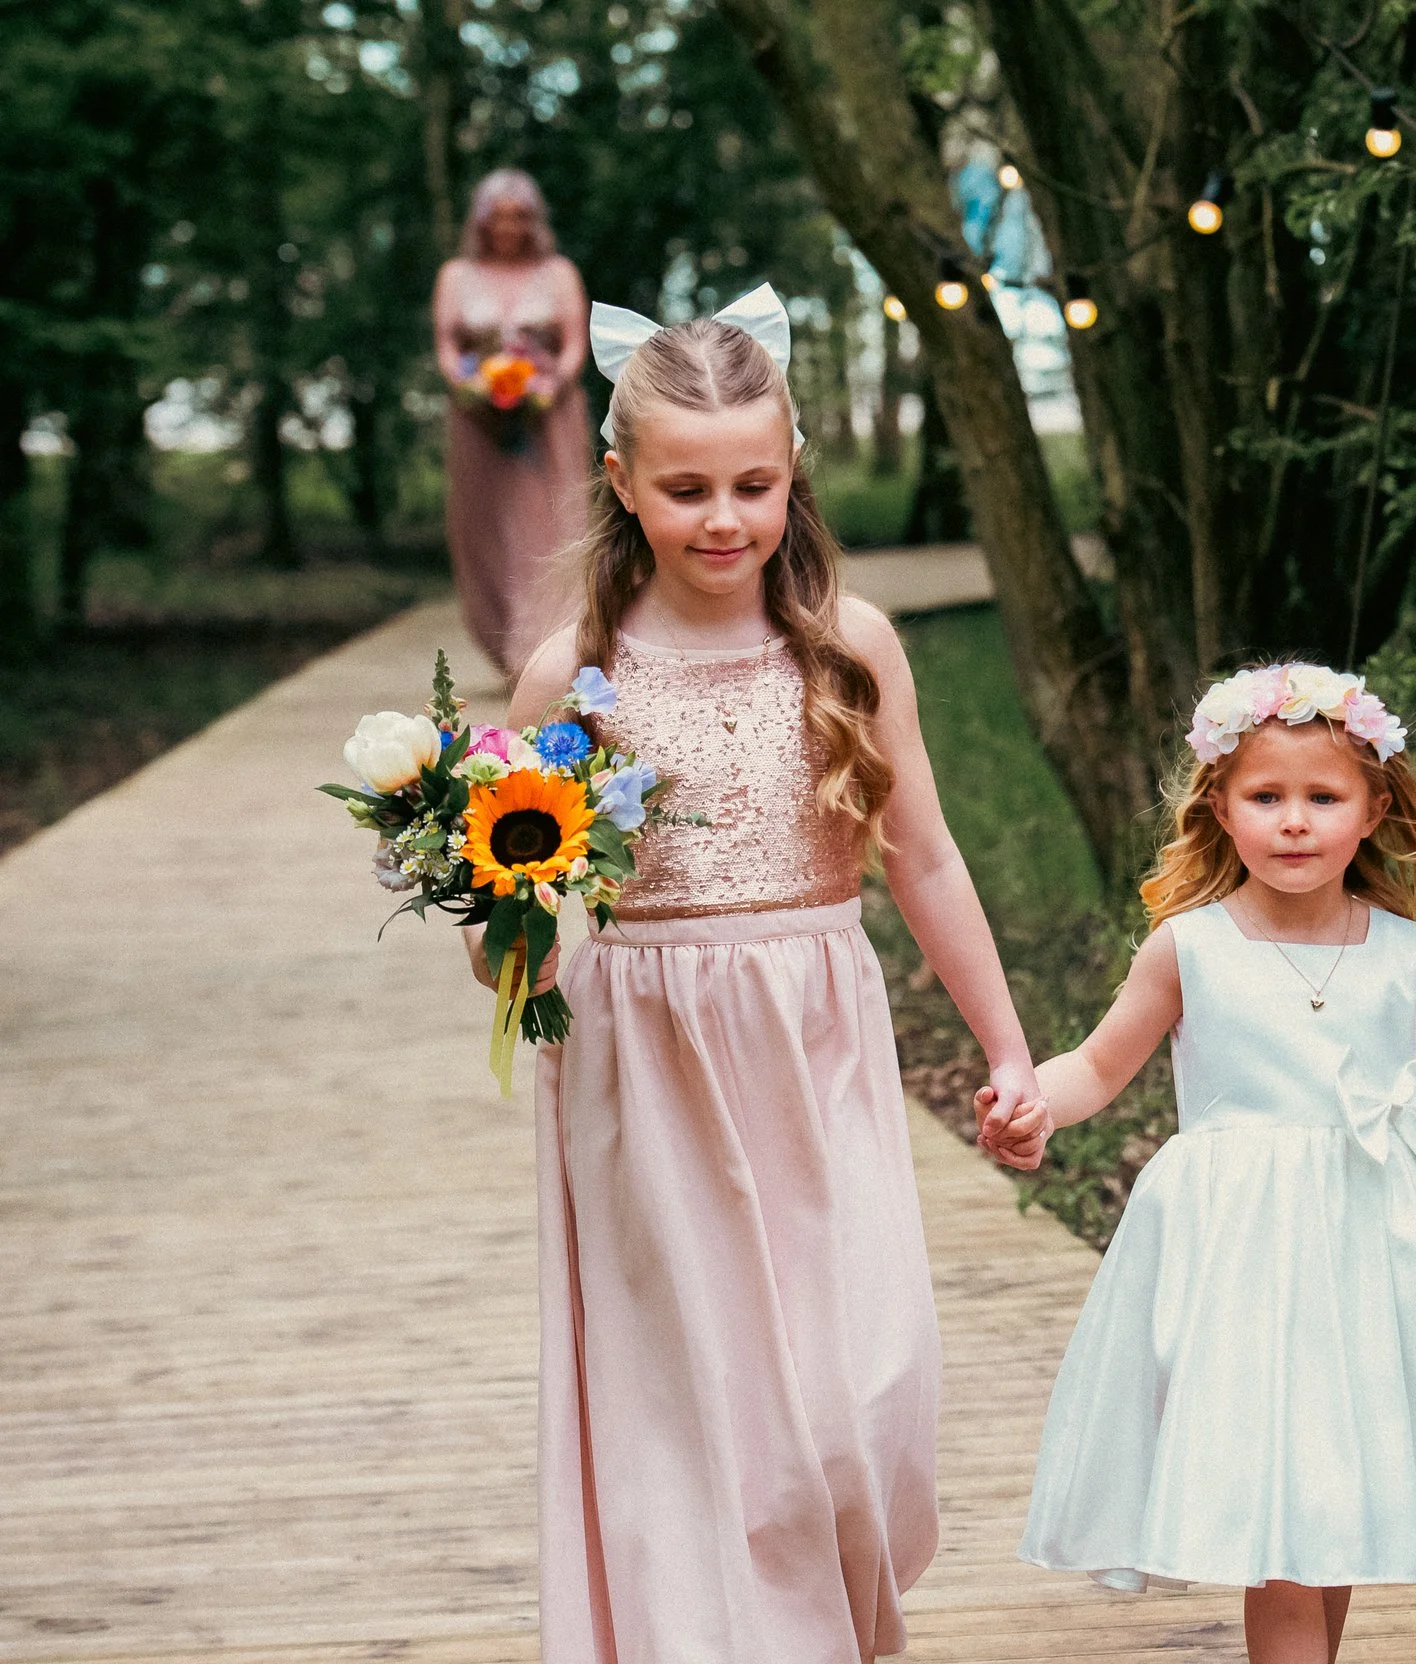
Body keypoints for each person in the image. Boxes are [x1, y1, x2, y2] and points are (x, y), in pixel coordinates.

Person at [470, 283, 1041, 1662]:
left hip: (816, 1040)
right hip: (646, 1062)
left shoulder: (847, 646)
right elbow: (508, 934)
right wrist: (492, 904)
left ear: (793, 472)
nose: (722, 518)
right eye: (686, 490)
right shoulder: (574, 673)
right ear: (621, 481)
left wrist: (1010, 1047)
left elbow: (925, 858)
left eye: (752, 485)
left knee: (862, 1387)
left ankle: (831, 1604)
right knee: (697, 1398)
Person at [976, 663, 1416, 1664]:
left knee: (1326, 1506)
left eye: (1324, 797)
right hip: (1241, 1260)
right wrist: (1032, 1102)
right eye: (1267, 797)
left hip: (1367, 1254)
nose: (1296, 821)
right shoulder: (1189, 947)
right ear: (1220, 809)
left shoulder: (1401, 948)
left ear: (1373, 811)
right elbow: (1096, 1064)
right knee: (1281, 1523)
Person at [432, 168, 591, 676]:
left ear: (533, 219)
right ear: (481, 220)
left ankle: (544, 645)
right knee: (483, 527)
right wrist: (469, 386)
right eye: (498, 216)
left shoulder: (559, 273)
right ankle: (502, 639)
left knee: (552, 524)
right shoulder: (456, 275)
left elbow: (574, 345)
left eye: (519, 215)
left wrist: (551, 386)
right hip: (477, 421)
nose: (508, 226)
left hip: (550, 418)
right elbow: (447, 347)